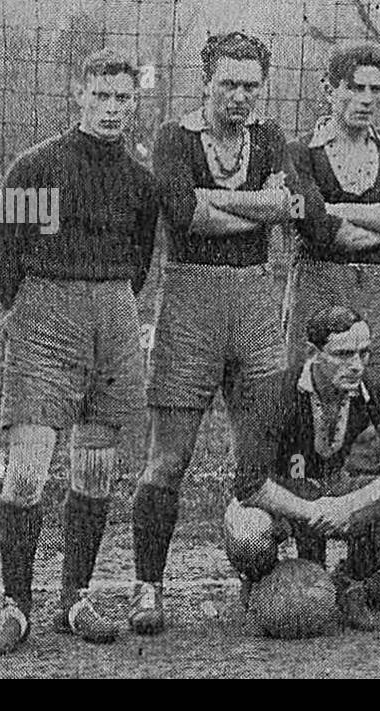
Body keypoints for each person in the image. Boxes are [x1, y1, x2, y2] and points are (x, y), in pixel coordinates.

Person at [0, 49, 160, 654]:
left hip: (113, 311)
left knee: (96, 466)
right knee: (28, 468)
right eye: (101, 96)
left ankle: (75, 598)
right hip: (46, 313)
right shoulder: (36, 166)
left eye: (123, 98)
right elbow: (4, 253)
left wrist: (107, 305)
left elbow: (139, 259)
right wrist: (31, 314)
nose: (112, 109)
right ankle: (15, 605)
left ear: (136, 102)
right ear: (77, 95)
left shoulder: (140, 177)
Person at [128, 32, 301, 636]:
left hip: (256, 298)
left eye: (250, 85)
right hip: (191, 299)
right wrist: (258, 203)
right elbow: (183, 213)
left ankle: (271, 583)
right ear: (205, 81)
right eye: (228, 83)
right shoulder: (174, 137)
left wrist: (223, 201)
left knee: (265, 455)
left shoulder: (272, 136)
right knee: (168, 460)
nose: (239, 96)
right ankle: (148, 587)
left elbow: (288, 207)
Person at [222, 305, 380, 632]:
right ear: (312, 353)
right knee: (248, 535)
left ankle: (350, 581)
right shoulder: (274, 391)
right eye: (344, 354)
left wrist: (349, 505)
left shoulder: (373, 388)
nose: (357, 365)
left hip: (334, 489)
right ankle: (262, 584)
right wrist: (311, 511)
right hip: (282, 492)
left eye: (364, 353)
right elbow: (249, 484)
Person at [285, 41, 380, 419]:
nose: (366, 99)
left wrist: (336, 209)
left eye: (375, 90)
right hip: (319, 282)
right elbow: (320, 228)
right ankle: (310, 472)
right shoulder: (300, 152)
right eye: (354, 87)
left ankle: (370, 475)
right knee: (310, 384)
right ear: (329, 89)